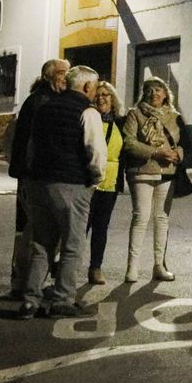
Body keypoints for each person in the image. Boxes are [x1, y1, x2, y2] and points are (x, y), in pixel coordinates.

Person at [18, 65, 104, 318]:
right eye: (95, 86)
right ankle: (62, 300)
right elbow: (96, 152)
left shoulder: (45, 107)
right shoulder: (88, 111)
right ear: (86, 86)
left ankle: (30, 300)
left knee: (41, 244)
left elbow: (31, 146)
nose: (96, 91)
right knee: (72, 245)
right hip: (71, 183)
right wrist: (94, 182)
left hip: (39, 183)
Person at [7, 58, 69, 298]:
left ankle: (25, 280)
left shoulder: (45, 100)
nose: (67, 77)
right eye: (63, 73)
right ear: (50, 76)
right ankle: (22, 280)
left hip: (34, 174)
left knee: (33, 229)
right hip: (34, 176)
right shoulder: (40, 102)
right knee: (30, 230)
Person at [121, 77, 184, 282]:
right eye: (150, 90)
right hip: (141, 171)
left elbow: (184, 143)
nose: (154, 93)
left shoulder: (174, 117)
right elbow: (129, 143)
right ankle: (132, 268)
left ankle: (159, 265)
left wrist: (178, 154)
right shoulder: (135, 114)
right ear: (144, 93)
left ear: (166, 94)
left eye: (159, 90)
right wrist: (156, 152)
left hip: (167, 172)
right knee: (141, 217)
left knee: (162, 219)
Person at [85, 82, 125, 285]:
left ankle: (95, 268)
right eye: (98, 94)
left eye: (106, 94)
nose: (101, 98)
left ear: (112, 98)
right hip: (88, 181)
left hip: (110, 184)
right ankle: (66, 268)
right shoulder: (88, 119)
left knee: (101, 228)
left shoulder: (121, 122)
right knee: (81, 227)